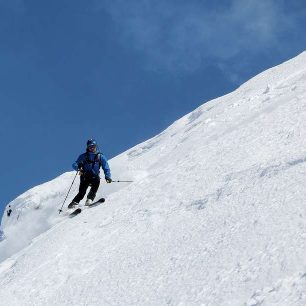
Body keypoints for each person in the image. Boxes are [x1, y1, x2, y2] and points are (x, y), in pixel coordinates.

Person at [68, 139, 112, 208]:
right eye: (90, 146)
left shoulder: (100, 156)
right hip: (85, 176)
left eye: (93, 146)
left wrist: (108, 176)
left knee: (96, 184)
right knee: (82, 192)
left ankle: (89, 199)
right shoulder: (83, 156)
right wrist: (78, 167)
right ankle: (73, 203)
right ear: (87, 147)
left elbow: (106, 167)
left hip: (95, 176)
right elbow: (74, 164)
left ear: (96, 146)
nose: (92, 148)